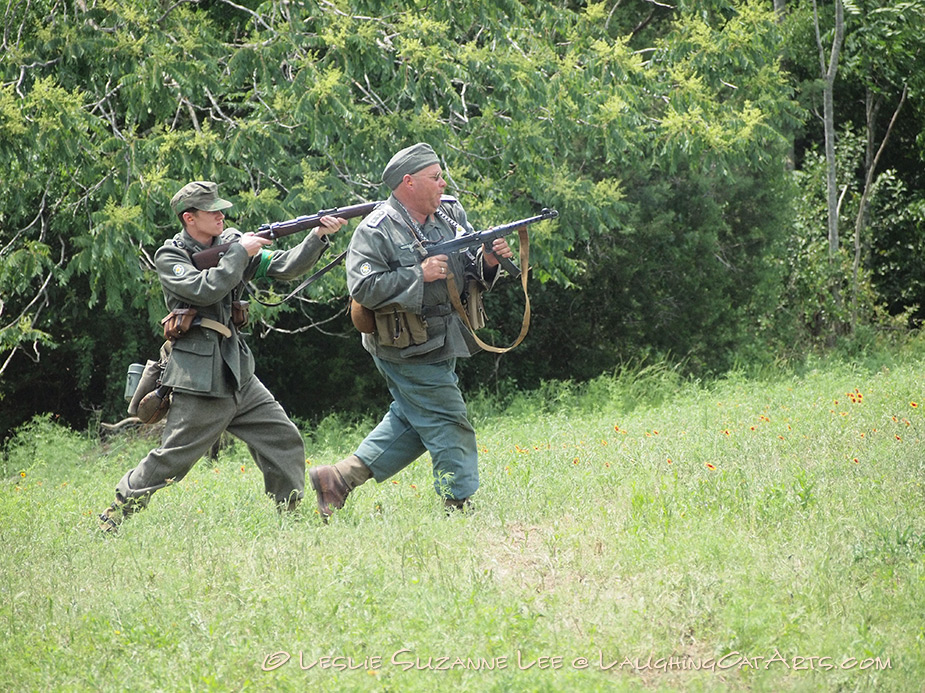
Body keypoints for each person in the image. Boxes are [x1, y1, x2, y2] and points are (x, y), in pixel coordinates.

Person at [98, 181, 347, 531]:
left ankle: (288, 520)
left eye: (221, 209)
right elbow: (203, 290)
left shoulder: (231, 243)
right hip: (198, 375)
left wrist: (317, 236)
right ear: (189, 218)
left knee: (284, 440)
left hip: (238, 370)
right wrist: (239, 254)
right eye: (212, 210)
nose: (221, 215)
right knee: (173, 459)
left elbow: (284, 267)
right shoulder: (171, 256)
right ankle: (116, 512)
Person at [308, 143, 515, 517]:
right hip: (405, 345)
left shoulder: (449, 212)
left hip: (445, 335)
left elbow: (468, 266)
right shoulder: (375, 230)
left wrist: (486, 259)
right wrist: (415, 276)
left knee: (413, 419)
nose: (442, 183)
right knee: (450, 420)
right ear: (409, 183)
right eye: (435, 178)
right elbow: (362, 288)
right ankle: (459, 503)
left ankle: (337, 479)